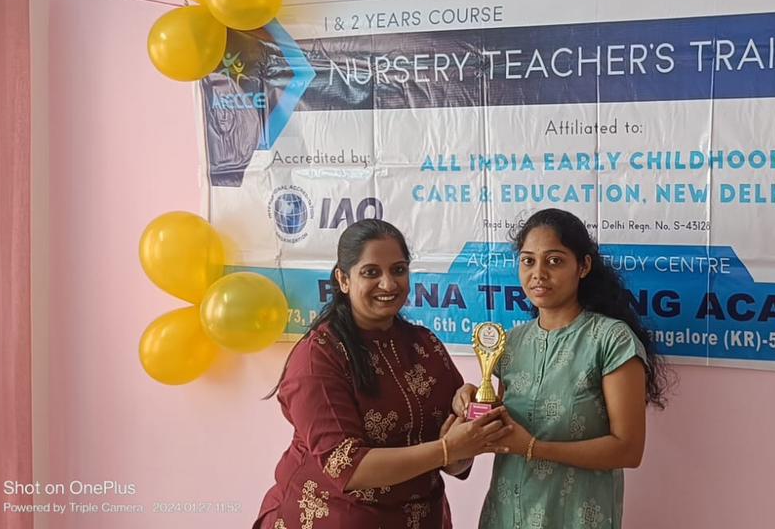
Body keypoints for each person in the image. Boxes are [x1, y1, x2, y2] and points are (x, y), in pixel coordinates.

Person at [255, 219, 509, 529]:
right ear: (343, 280)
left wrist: (468, 417)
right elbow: (346, 467)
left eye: (398, 270)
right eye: (371, 272)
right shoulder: (318, 357)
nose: (388, 284)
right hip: (332, 518)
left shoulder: (424, 344)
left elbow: (455, 462)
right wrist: (446, 450)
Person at [453, 208, 671, 529]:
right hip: (506, 514)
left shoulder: (611, 340)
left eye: (554, 261)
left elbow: (628, 449)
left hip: (575, 516)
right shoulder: (511, 343)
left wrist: (533, 448)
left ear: (583, 266)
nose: (538, 273)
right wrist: (473, 404)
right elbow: (503, 430)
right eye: (528, 261)